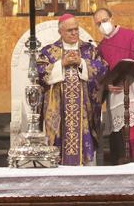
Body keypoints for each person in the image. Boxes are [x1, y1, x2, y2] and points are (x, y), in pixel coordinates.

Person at [37, 13, 107, 166]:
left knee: (85, 148)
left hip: (84, 113)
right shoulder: (49, 51)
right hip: (57, 113)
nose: (74, 33)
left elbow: (102, 69)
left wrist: (82, 63)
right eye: (70, 30)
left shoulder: (89, 50)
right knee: (57, 150)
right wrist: (61, 63)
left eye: (76, 29)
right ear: (60, 32)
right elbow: (40, 73)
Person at [93, 7, 134, 164]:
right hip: (116, 96)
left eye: (105, 20)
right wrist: (107, 86)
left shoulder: (131, 35)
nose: (103, 25)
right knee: (120, 138)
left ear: (112, 18)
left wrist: (127, 79)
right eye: (98, 23)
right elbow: (102, 74)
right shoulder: (101, 47)